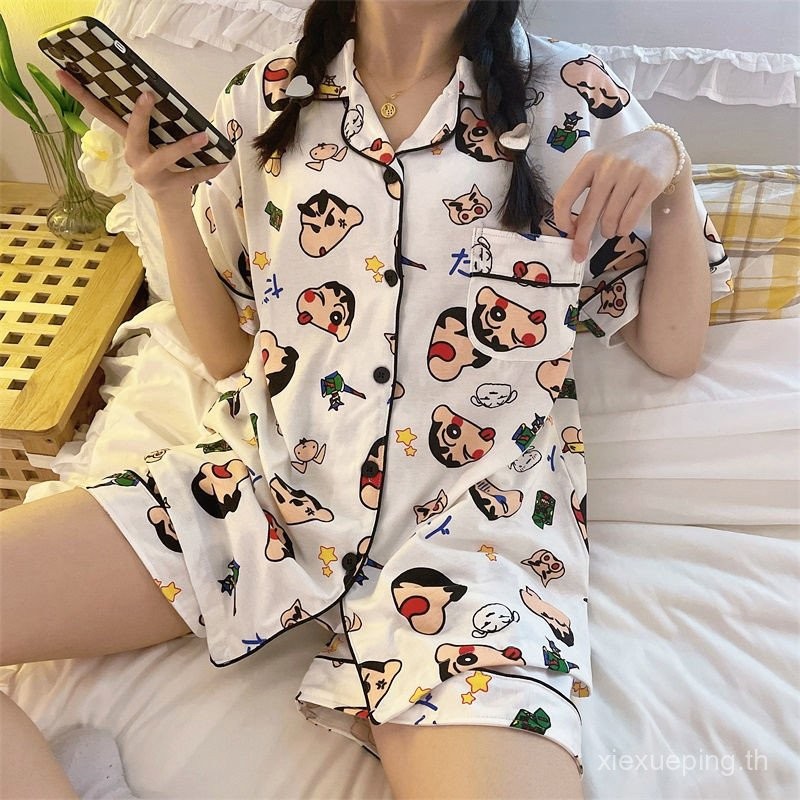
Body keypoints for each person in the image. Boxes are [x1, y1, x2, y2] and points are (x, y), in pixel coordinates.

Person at [0, 1, 733, 798]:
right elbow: (226, 356)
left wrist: (672, 176)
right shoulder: (265, 97)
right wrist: (170, 201)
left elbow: (672, 348)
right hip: (262, 492)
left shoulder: (573, 97)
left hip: (469, 541)